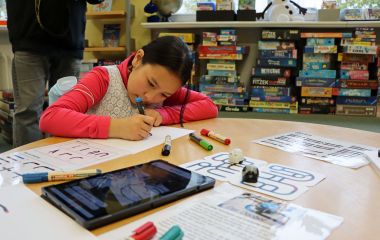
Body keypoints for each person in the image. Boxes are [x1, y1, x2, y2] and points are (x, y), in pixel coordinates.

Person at [40, 36, 218, 140]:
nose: (150, 97)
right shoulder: (103, 78)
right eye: (151, 83)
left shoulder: (165, 86)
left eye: (164, 94)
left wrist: (163, 115)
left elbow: (209, 106)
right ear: (138, 59)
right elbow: (50, 118)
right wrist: (116, 128)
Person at [6, 0, 104, 147]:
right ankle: (27, 166)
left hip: (68, 40)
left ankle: (61, 164)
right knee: (28, 112)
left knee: (65, 113)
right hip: (29, 36)